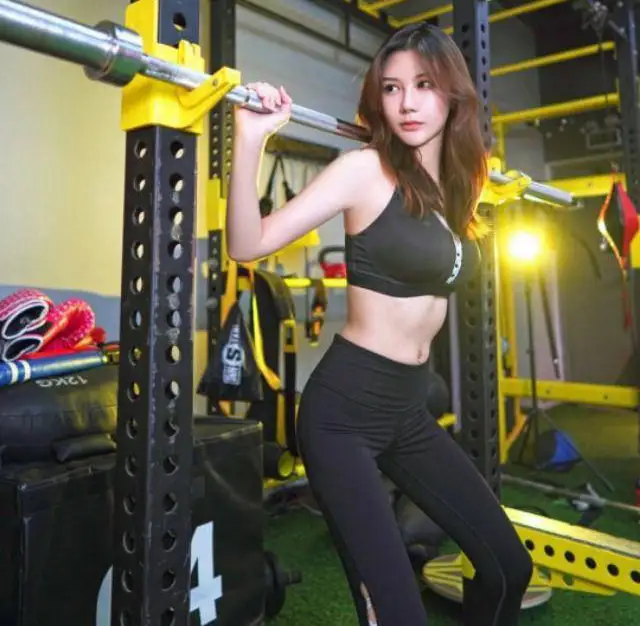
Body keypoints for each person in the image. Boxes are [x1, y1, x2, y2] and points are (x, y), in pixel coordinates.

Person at [226, 22, 533, 626]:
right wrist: (250, 139)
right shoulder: (365, 170)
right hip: (343, 414)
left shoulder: (454, 189)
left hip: (407, 412)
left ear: (453, 95)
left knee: (507, 567)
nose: (407, 102)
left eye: (424, 85)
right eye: (392, 88)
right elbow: (247, 243)